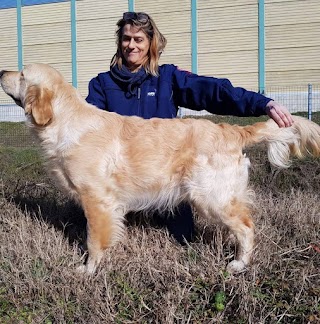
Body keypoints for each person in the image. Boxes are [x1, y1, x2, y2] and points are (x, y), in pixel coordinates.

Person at [86, 11, 294, 244]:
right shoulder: (101, 84)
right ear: (119, 42)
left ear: (150, 43)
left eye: (138, 39)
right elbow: (89, 132)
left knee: (184, 240)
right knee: (86, 223)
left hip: (169, 183)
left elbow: (213, 91)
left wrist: (263, 103)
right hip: (122, 183)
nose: (131, 45)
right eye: (126, 39)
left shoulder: (167, 78)